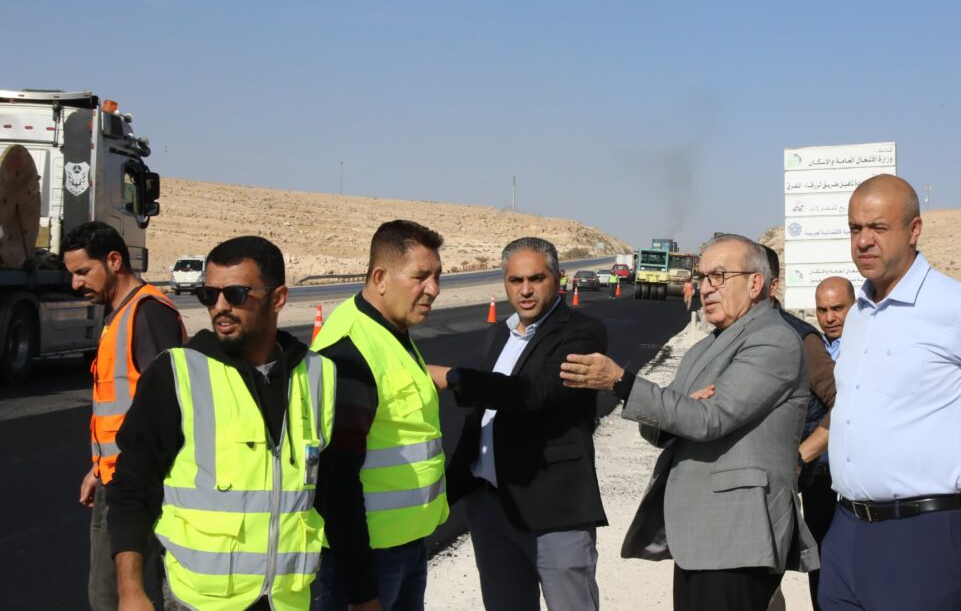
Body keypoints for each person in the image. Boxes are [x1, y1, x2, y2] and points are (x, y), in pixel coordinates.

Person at [560, 233, 818, 611]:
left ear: (755, 283)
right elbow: (662, 422)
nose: (705, 288)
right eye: (702, 277)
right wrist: (678, 411)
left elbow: (708, 420)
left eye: (719, 276)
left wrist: (622, 382)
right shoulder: (703, 349)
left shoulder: (773, 340)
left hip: (738, 534)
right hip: (699, 533)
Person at [820, 174, 961, 611]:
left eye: (878, 228)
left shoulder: (955, 307)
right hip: (846, 533)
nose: (864, 241)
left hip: (921, 537)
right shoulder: (858, 314)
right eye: (856, 228)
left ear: (914, 230)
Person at [106, 236, 338, 611]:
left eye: (235, 294)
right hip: (199, 600)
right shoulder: (177, 373)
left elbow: (333, 491)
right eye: (209, 295)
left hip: (289, 600)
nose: (220, 307)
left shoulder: (317, 375)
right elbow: (132, 485)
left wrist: (360, 591)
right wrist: (130, 591)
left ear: (278, 298)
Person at [430, 237, 608, 611]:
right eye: (515, 280)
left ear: (558, 278)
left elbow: (535, 391)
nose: (525, 290)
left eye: (536, 279)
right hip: (490, 505)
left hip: (553, 509)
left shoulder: (583, 333)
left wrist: (453, 377)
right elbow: (485, 412)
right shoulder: (501, 333)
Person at [312, 220, 448, 611]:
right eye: (420, 277)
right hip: (364, 562)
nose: (433, 289)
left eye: (437, 276)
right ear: (380, 278)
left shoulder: (390, 328)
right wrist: (362, 592)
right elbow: (336, 484)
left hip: (404, 547)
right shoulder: (349, 352)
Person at [61, 221, 186, 611]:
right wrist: (98, 468)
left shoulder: (148, 314)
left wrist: (135, 481)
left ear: (114, 260)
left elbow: (167, 408)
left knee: (118, 598)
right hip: (117, 477)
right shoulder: (120, 314)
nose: (76, 284)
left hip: (138, 486)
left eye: (83, 272)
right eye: (72, 274)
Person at [761, 246, 839, 611]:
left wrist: (802, 455)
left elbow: (844, 404)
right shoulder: (729, 337)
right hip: (760, 478)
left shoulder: (801, 339)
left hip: (812, 476)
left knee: (821, 565)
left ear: (768, 284)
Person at [814, 277, 854, 361]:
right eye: (822, 310)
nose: (829, 319)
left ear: (854, 307)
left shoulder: (867, 346)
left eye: (837, 308)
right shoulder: (810, 346)